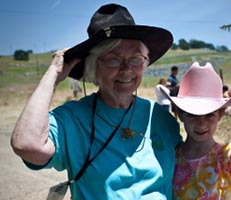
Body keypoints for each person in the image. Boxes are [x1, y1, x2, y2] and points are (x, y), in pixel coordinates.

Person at [10, 4, 182, 199]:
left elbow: (188, 170)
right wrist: (52, 76)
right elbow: (27, 144)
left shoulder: (160, 117)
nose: (126, 69)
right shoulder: (72, 119)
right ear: (93, 67)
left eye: (135, 58)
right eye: (113, 59)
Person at [161, 62, 231, 199]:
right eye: (192, 114)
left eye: (209, 115)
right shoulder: (171, 157)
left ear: (220, 114)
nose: (201, 123)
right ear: (180, 114)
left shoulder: (226, 158)